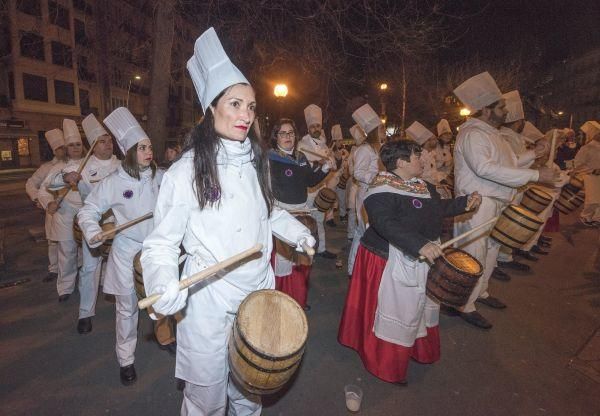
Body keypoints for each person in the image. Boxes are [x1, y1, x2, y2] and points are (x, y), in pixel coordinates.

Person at [141, 27, 314, 415]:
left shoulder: (256, 162)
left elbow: (268, 211)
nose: (245, 115)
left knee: (249, 394)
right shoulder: (184, 172)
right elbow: (161, 244)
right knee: (206, 400)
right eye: (235, 104)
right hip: (209, 302)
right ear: (211, 110)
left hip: (258, 295)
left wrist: (297, 233)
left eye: (250, 107)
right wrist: (162, 282)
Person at [338, 140, 481, 383]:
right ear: (401, 162)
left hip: (423, 255)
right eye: (417, 156)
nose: (423, 160)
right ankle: (385, 363)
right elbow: (384, 223)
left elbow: (437, 208)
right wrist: (419, 244)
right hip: (389, 260)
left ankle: (417, 348)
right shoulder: (379, 190)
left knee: (420, 308)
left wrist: (464, 203)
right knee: (400, 311)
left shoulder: (422, 185)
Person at [451, 72, 559, 329]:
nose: (505, 111)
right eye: (500, 107)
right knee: (473, 254)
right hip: (477, 205)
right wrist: (536, 175)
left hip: (495, 203)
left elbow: (510, 163)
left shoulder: (491, 133)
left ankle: (481, 292)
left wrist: (534, 153)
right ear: (486, 110)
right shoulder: (472, 134)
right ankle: (464, 305)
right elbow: (485, 169)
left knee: (490, 251)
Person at [78, 107, 162, 386]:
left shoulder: (161, 177)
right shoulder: (113, 182)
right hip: (127, 252)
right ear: (129, 152)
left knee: (164, 300)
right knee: (127, 308)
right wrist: (93, 231)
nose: (148, 152)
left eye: (150, 147)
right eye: (142, 148)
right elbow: (88, 211)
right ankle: (126, 359)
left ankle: (165, 335)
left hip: (156, 252)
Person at [47, 114, 121, 333]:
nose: (107, 144)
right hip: (94, 226)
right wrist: (65, 177)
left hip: (121, 226)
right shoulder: (82, 167)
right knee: (90, 269)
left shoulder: (122, 165)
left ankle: (126, 308)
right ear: (93, 146)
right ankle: (85, 313)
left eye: (109, 140)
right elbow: (52, 183)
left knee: (122, 268)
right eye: (102, 141)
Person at [268, 118, 330, 310]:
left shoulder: (301, 157)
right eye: (283, 133)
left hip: (302, 211)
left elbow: (310, 181)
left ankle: (298, 300)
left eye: (291, 133)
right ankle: (282, 303)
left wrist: (324, 169)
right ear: (276, 137)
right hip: (283, 216)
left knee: (301, 262)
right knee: (284, 263)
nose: (288, 137)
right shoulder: (269, 159)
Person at [37, 119, 84, 303]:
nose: (75, 148)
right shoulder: (58, 168)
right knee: (67, 252)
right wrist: (49, 203)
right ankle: (65, 287)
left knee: (90, 251)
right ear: (66, 148)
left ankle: (93, 282)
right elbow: (43, 190)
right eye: (71, 145)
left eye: (78, 144)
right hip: (65, 214)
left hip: (87, 213)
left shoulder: (90, 164)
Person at [25, 129, 66, 282]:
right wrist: (38, 199)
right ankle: (54, 269)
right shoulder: (46, 168)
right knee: (53, 241)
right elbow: (30, 183)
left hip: (71, 209)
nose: (63, 150)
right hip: (53, 210)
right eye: (60, 148)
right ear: (54, 150)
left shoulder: (75, 163)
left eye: (65, 147)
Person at [347, 103, 382, 277]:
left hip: (374, 194)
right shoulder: (364, 149)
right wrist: (375, 178)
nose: (384, 131)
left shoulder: (377, 149)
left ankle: (357, 268)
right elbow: (357, 173)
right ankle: (353, 269)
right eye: (381, 129)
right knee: (362, 232)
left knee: (364, 232)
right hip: (365, 194)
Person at [298, 104, 338, 259]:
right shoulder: (302, 145)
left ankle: (321, 249)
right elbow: (301, 167)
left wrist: (332, 162)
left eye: (318, 126)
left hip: (321, 188)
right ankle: (306, 250)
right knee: (308, 221)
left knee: (320, 221)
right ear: (308, 128)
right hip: (309, 190)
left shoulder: (324, 145)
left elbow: (333, 166)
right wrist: (317, 163)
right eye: (313, 126)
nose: (316, 129)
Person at [574, 121, 600, 226]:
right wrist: (592, 170)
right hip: (591, 177)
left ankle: (597, 218)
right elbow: (578, 163)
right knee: (592, 200)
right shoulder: (587, 147)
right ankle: (585, 217)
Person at [405, 121, 444, 186]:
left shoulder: (431, 154)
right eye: (434, 139)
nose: (437, 141)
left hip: (435, 186)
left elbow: (434, 172)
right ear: (427, 141)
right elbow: (419, 176)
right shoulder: (419, 156)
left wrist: (442, 180)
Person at [346, 124, 367, 241]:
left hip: (366, 186)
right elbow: (351, 169)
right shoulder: (354, 151)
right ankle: (350, 234)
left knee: (363, 212)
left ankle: (362, 234)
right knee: (353, 210)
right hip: (355, 185)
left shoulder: (369, 149)